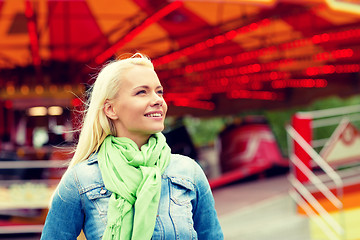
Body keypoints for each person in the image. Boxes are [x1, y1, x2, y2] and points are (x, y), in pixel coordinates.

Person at [41, 53, 224, 240]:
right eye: (141, 92)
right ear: (111, 109)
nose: (157, 100)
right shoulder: (81, 180)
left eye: (159, 91)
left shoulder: (188, 172)